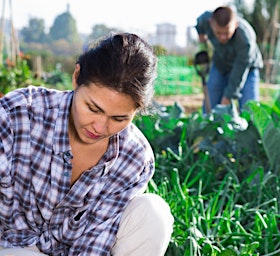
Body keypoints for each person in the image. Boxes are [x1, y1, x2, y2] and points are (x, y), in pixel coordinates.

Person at [0, 33, 173, 255]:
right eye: (93, 108)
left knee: (152, 213)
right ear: (76, 76)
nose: (99, 128)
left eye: (118, 118)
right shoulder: (19, 114)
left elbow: (96, 241)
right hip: (11, 247)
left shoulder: (134, 157)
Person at [195, 6, 263, 112]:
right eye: (218, 33)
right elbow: (200, 23)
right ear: (211, 24)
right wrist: (202, 45)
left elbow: (239, 72)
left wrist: (227, 97)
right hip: (221, 65)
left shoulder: (245, 39)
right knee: (210, 106)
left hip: (247, 69)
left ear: (235, 25)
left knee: (250, 109)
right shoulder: (205, 20)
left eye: (226, 33)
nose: (222, 37)